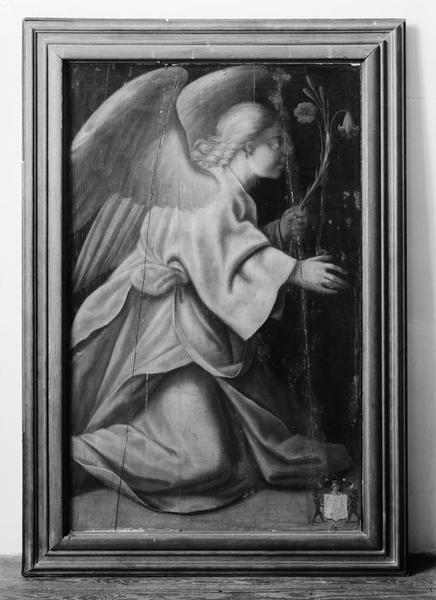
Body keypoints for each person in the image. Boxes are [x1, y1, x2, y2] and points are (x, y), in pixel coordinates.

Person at [71, 101, 350, 515]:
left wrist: (274, 233)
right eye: (276, 142)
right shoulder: (207, 188)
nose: (286, 151)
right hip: (158, 338)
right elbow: (213, 254)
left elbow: (221, 251)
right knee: (208, 461)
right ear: (246, 147)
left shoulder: (229, 194)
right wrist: (294, 271)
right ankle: (72, 454)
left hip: (194, 339)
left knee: (239, 451)